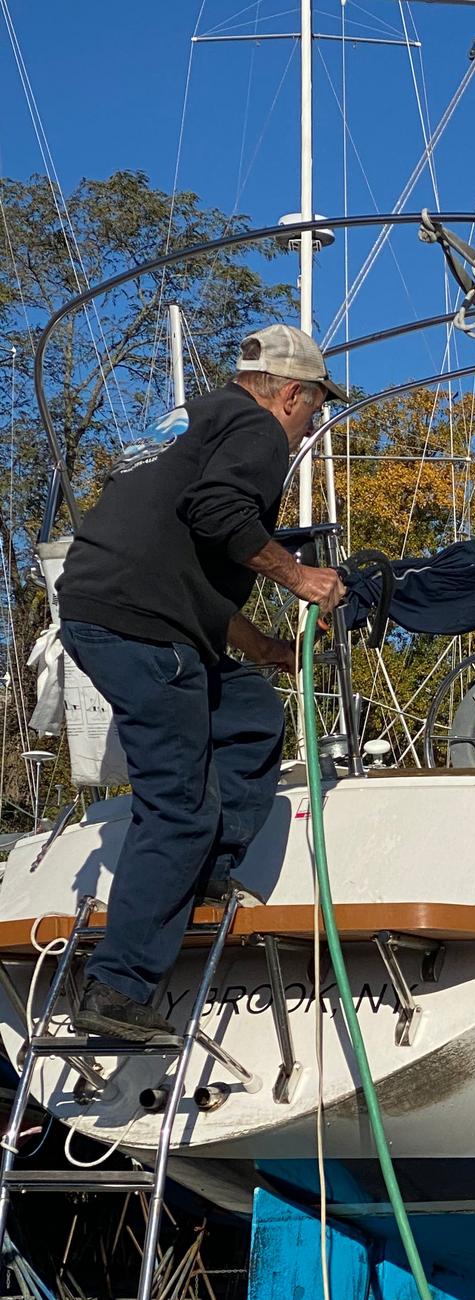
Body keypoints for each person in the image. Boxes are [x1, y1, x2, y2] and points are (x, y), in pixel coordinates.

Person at [57, 324, 348, 1041]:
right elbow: (218, 516)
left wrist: (268, 648)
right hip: (144, 630)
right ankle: (118, 987)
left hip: (110, 609)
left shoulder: (190, 423)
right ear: (289, 395)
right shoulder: (256, 434)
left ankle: (208, 870)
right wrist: (300, 576)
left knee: (248, 707)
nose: (311, 426)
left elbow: (184, 567)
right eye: (314, 410)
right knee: (179, 805)